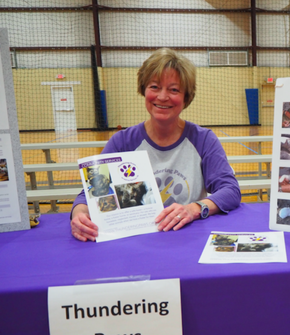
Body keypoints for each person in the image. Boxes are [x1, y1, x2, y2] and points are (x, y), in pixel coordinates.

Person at [70, 48, 241, 241]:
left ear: (186, 97)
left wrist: (194, 208)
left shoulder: (204, 140)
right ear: (143, 90)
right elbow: (90, 194)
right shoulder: (122, 142)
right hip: (137, 243)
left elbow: (230, 190)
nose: (162, 96)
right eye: (154, 87)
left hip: (188, 239)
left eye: (174, 89)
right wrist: (79, 215)